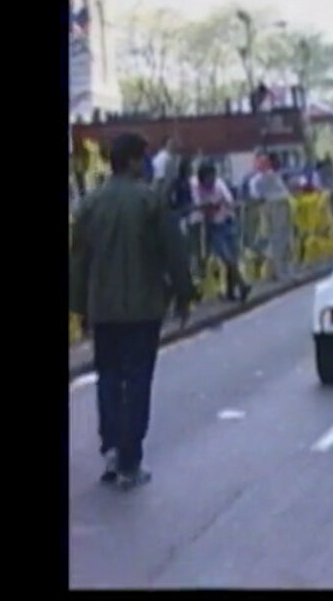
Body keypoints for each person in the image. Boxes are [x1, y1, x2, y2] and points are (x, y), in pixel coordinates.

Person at [70, 133, 194, 490]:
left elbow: (78, 262)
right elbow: (174, 253)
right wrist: (184, 295)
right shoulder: (150, 202)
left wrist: (79, 306)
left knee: (107, 378)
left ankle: (110, 447)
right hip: (143, 309)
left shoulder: (90, 206)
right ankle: (130, 459)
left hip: (103, 310)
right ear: (134, 161)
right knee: (138, 381)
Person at [193, 161, 252, 302]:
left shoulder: (219, 185)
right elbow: (198, 205)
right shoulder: (196, 187)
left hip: (227, 222)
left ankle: (231, 292)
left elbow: (229, 201)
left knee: (231, 258)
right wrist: (210, 206)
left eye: (213, 177)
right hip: (213, 227)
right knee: (226, 258)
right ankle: (242, 284)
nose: (211, 180)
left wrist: (220, 205)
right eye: (208, 178)